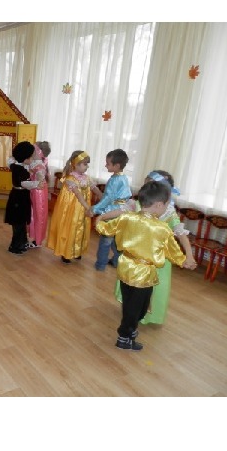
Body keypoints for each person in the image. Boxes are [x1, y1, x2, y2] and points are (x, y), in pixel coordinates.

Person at [95, 180, 195, 351]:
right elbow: (172, 251)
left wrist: (99, 220)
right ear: (158, 205)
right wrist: (185, 261)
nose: (167, 208)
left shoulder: (127, 218)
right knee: (137, 308)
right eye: (166, 205)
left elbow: (106, 229)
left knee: (131, 304)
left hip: (126, 268)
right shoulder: (161, 229)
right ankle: (124, 337)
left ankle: (130, 329)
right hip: (142, 274)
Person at [46, 150, 102, 262]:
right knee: (70, 228)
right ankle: (66, 252)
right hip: (72, 209)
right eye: (85, 164)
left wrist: (103, 197)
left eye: (87, 164)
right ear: (76, 164)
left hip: (83, 209)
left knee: (81, 228)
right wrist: (88, 207)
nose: (87, 166)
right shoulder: (70, 179)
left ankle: (77, 250)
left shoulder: (86, 178)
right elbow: (78, 194)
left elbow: (94, 188)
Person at [88, 148, 132, 270]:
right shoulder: (124, 178)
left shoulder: (114, 180)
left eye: (108, 163)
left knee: (105, 241)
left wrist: (95, 209)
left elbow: (107, 199)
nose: (105, 165)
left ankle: (101, 264)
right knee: (116, 241)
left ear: (116, 166)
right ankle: (117, 262)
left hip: (112, 213)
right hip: (121, 212)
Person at [4, 141, 40, 254]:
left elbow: (10, 160)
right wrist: (37, 184)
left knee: (21, 222)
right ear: (25, 158)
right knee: (19, 223)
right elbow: (24, 183)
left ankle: (22, 242)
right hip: (19, 198)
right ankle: (15, 246)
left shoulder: (17, 165)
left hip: (19, 196)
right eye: (31, 157)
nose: (32, 159)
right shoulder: (19, 169)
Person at [27, 141, 51, 247]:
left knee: (39, 214)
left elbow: (41, 178)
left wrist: (39, 180)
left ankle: (37, 240)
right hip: (35, 190)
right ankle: (34, 237)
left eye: (33, 150)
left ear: (38, 152)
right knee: (34, 214)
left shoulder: (39, 165)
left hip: (39, 192)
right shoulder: (35, 163)